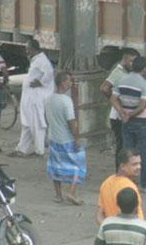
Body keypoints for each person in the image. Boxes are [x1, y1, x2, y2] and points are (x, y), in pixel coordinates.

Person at [46, 70, 86, 206]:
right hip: (66, 138)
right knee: (78, 164)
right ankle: (71, 192)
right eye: (69, 80)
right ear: (63, 83)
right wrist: (76, 137)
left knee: (55, 166)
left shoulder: (49, 98)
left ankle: (58, 195)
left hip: (53, 137)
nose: (71, 83)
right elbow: (71, 122)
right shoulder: (66, 101)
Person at [113, 56, 146, 190]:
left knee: (127, 151)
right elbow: (142, 105)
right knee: (143, 152)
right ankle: (145, 184)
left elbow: (113, 99)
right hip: (142, 121)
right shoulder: (144, 84)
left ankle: (126, 181)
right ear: (144, 69)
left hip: (126, 122)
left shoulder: (122, 80)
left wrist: (123, 113)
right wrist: (131, 114)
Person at [13, 39, 53, 157]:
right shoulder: (36, 59)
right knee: (27, 123)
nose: (26, 50)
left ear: (33, 48)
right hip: (29, 97)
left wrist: (41, 83)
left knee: (37, 124)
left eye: (27, 48)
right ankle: (22, 149)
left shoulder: (42, 60)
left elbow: (50, 73)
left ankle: (39, 150)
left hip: (35, 98)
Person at [102, 48, 138, 171]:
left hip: (123, 115)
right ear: (125, 60)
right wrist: (117, 103)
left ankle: (124, 171)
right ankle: (120, 172)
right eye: (132, 61)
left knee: (126, 146)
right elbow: (104, 88)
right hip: (118, 117)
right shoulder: (118, 72)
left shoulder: (127, 73)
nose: (133, 64)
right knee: (122, 147)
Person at [97, 149, 144, 223]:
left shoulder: (106, 182)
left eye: (139, 163)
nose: (139, 167)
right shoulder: (129, 188)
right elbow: (137, 218)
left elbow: (100, 214)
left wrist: (109, 228)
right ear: (122, 166)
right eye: (134, 164)